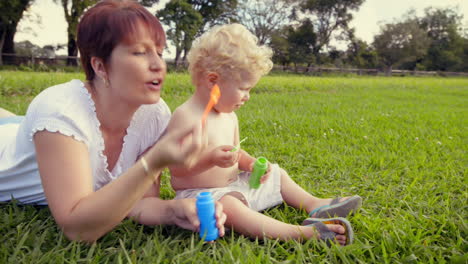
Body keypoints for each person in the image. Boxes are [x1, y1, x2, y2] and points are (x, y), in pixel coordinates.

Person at [0, 0, 226, 243]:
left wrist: (174, 210)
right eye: (140, 52)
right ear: (100, 66)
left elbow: (139, 202)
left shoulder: (154, 114)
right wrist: (153, 162)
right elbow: (77, 229)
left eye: (159, 53)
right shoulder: (59, 113)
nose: (158, 65)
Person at [165, 24, 362, 246]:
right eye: (244, 88)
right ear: (213, 81)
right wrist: (210, 159)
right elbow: (176, 170)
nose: (247, 96)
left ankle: (314, 204)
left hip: (234, 186)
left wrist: (248, 163)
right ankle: (299, 233)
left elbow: (236, 153)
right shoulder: (186, 116)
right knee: (228, 205)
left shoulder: (229, 116)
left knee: (278, 174)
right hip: (200, 198)